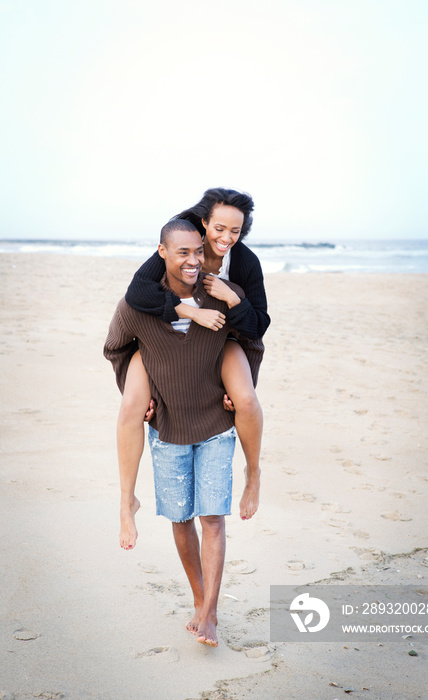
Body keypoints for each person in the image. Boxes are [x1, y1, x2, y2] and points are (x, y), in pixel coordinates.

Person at [104, 219, 262, 647]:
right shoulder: (138, 304)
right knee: (180, 519)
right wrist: (138, 387)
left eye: (198, 251)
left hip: (214, 426)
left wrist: (241, 384)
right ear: (162, 253)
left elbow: (252, 338)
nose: (193, 261)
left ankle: (210, 612)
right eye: (182, 253)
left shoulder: (224, 295)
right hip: (168, 429)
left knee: (213, 518)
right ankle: (197, 595)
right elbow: (115, 346)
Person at [118, 188, 270, 550]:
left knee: (246, 400)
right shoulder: (183, 241)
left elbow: (257, 326)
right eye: (219, 228)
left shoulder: (243, 262)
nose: (226, 238)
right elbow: (138, 293)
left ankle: (253, 474)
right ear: (203, 223)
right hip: (160, 342)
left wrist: (232, 298)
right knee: (130, 408)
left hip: (220, 342)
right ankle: (126, 501)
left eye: (236, 230)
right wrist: (191, 311)